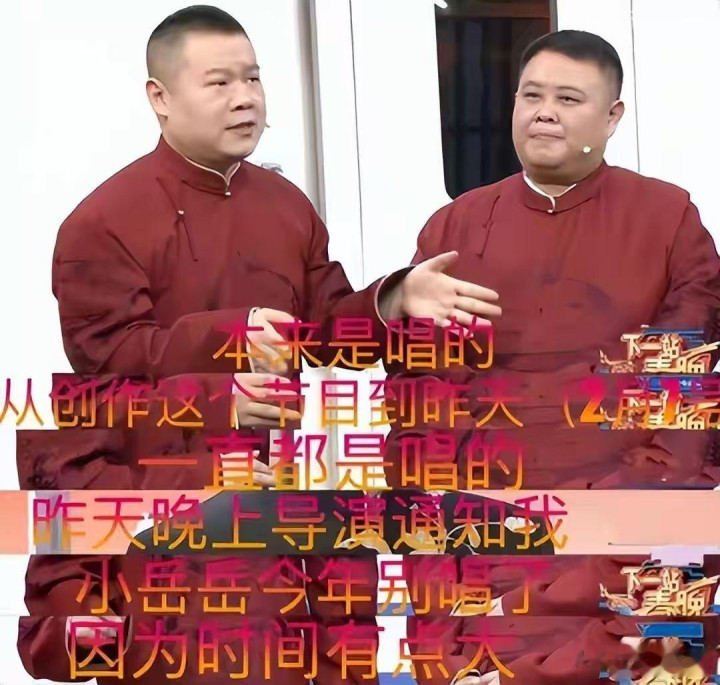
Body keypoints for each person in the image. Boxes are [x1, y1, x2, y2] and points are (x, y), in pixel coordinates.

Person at [16, 6, 503, 684]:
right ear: (160, 97)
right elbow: (111, 370)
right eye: (219, 82)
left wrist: (392, 299)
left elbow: (326, 330)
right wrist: (228, 361)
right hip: (167, 510)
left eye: (252, 78)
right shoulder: (103, 222)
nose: (245, 97)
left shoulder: (284, 205)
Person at [384, 30, 720, 684]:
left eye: (568, 99)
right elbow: (420, 423)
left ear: (613, 116)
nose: (544, 113)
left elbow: (681, 431)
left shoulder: (669, 222)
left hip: (631, 556)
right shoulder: (453, 230)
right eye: (531, 96)